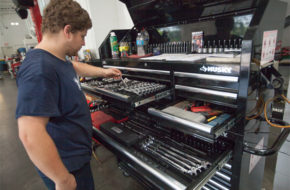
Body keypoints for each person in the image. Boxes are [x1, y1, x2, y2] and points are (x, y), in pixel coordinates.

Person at [16, 0, 121, 190]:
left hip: (76, 159)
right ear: (67, 31)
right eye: (82, 36)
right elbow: (29, 134)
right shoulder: (39, 69)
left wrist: (103, 72)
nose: (83, 42)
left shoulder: (54, 58)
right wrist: (62, 179)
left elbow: (73, 66)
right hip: (66, 167)